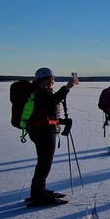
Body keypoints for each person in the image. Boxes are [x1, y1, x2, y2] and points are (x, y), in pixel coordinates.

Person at [26, 67, 79, 205]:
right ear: (41, 80)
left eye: (53, 78)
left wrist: (61, 121)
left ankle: (39, 190)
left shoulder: (41, 92)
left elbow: (46, 113)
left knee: (43, 162)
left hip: (42, 130)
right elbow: (53, 100)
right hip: (43, 132)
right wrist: (67, 87)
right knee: (44, 163)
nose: (51, 81)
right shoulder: (40, 92)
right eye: (48, 79)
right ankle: (38, 194)